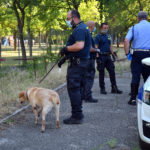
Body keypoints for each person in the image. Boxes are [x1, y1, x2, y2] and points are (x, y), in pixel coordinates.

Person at [59, 10, 91, 124]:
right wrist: (66, 57)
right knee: (79, 88)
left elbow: (79, 45)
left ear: (74, 17)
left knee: (73, 89)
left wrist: (66, 49)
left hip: (77, 65)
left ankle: (77, 116)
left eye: (68, 19)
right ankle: (78, 113)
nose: (68, 21)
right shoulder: (84, 27)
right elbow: (85, 47)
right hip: (82, 62)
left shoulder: (80, 29)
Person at [124, 11, 150, 105]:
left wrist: (127, 53)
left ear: (138, 18)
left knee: (136, 76)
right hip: (148, 55)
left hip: (137, 54)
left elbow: (126, 40)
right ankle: (147, 99)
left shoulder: (134, 27)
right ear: (147, 18)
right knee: (148, 78)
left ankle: (133, 99)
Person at [95, 23, 122, 95]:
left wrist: (113, 54)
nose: (106, 29)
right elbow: (96, 48)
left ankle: (114, 88)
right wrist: (97, 57)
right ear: (101, 28)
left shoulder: (108, 36)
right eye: (104, 28)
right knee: (101, 73)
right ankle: (102, 89)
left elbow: (110, 46)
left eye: (107, 28)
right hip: (101, 56)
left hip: (108, 56)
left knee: (112, 71)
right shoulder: (98, 37)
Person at [81, 21, 99, 103]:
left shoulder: (84, 34)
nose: (94, 28)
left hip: (85, 59)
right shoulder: (88, 35)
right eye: (94, 26)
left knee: (84, 78)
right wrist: (97, 50)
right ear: (91, 26)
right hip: (89, 59)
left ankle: (83, 95)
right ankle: (88, 96)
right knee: (89, 78)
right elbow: (89, 48)